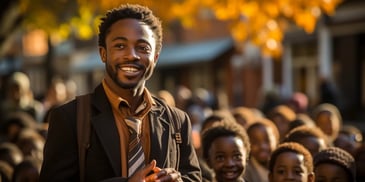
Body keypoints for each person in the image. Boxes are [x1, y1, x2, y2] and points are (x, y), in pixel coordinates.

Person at [39, 4, 201, 182]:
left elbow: (193, 177)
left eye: (143, 48)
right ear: (103, 53)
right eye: (120, 46)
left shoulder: (178, 120)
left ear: (155, 57)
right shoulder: (70, 118)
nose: (131, 55)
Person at [244, 118, 280, 182]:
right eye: (255, 142)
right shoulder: (245, 173)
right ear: (248, 145)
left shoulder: (282, 166)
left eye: (267, 141)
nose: (262, 147)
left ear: (276, 140)